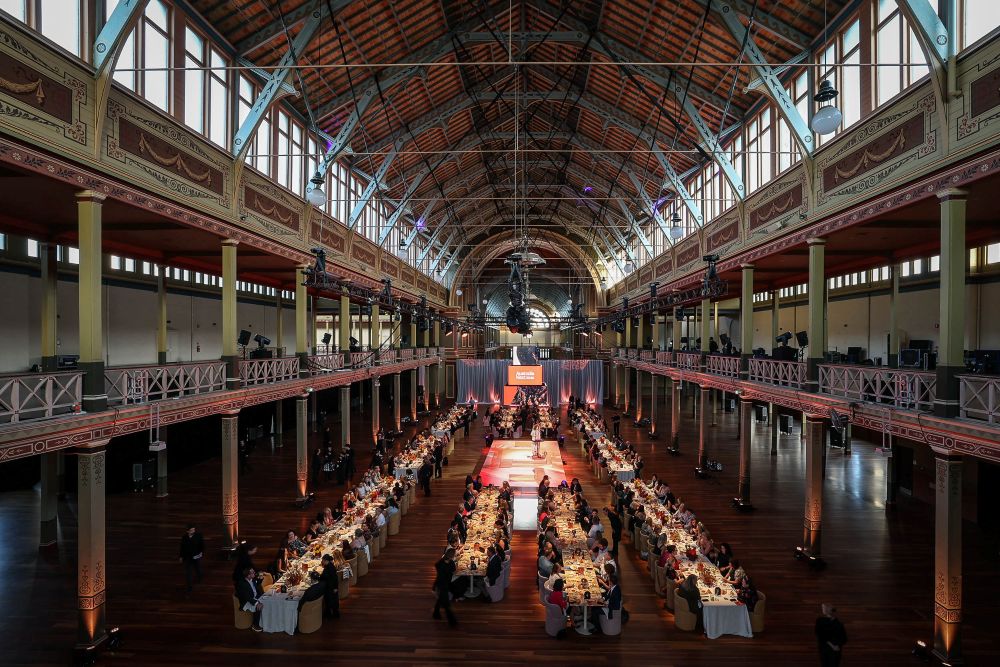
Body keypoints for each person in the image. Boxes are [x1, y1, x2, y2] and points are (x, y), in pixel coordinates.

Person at [298, 553, 340, 618]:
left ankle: (333, 615)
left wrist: (335, 588)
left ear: (326, 561)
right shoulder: (329, 566)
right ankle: (330, 614)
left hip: (331, 587)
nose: (322, 562)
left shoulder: (330, 568)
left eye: (323, 561)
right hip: (329, 586)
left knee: (331, 601)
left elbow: (334, 578)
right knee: (330, 601)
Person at [432, 547, 458, 626]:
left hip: (443, 583)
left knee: (440, 599)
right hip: (443, 585)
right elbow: (453, 571)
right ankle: (452, 622)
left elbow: (453, 569)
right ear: (451, 556)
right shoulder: (447, 564)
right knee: (447, 605)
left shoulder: (444, 562)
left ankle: (436, 614)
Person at [235, 567, 263, 631]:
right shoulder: (242, 584)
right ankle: (255, 625)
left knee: (266, 602)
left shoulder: (252, 579)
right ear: (248, 575)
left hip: (254, 597)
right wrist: (257, 603)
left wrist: (260, 579)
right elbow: (247, 597)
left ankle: (262, 621)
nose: (254, 573)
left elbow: (257, 584)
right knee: (258, 607)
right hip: (246, 601)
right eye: (252, 572)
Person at [178, 524, 204, 592]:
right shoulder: (184, 537)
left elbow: (202, 546)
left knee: (198, 569)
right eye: (191, 530)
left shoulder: (198, 536)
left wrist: (200, 553)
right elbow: (182, 548)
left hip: (196, 556)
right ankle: (189, 586)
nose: (193, 531)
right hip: (188, 557)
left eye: (194, 529)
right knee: (188, 573)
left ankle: (200, 577)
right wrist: (181, 556)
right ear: (187, 531)